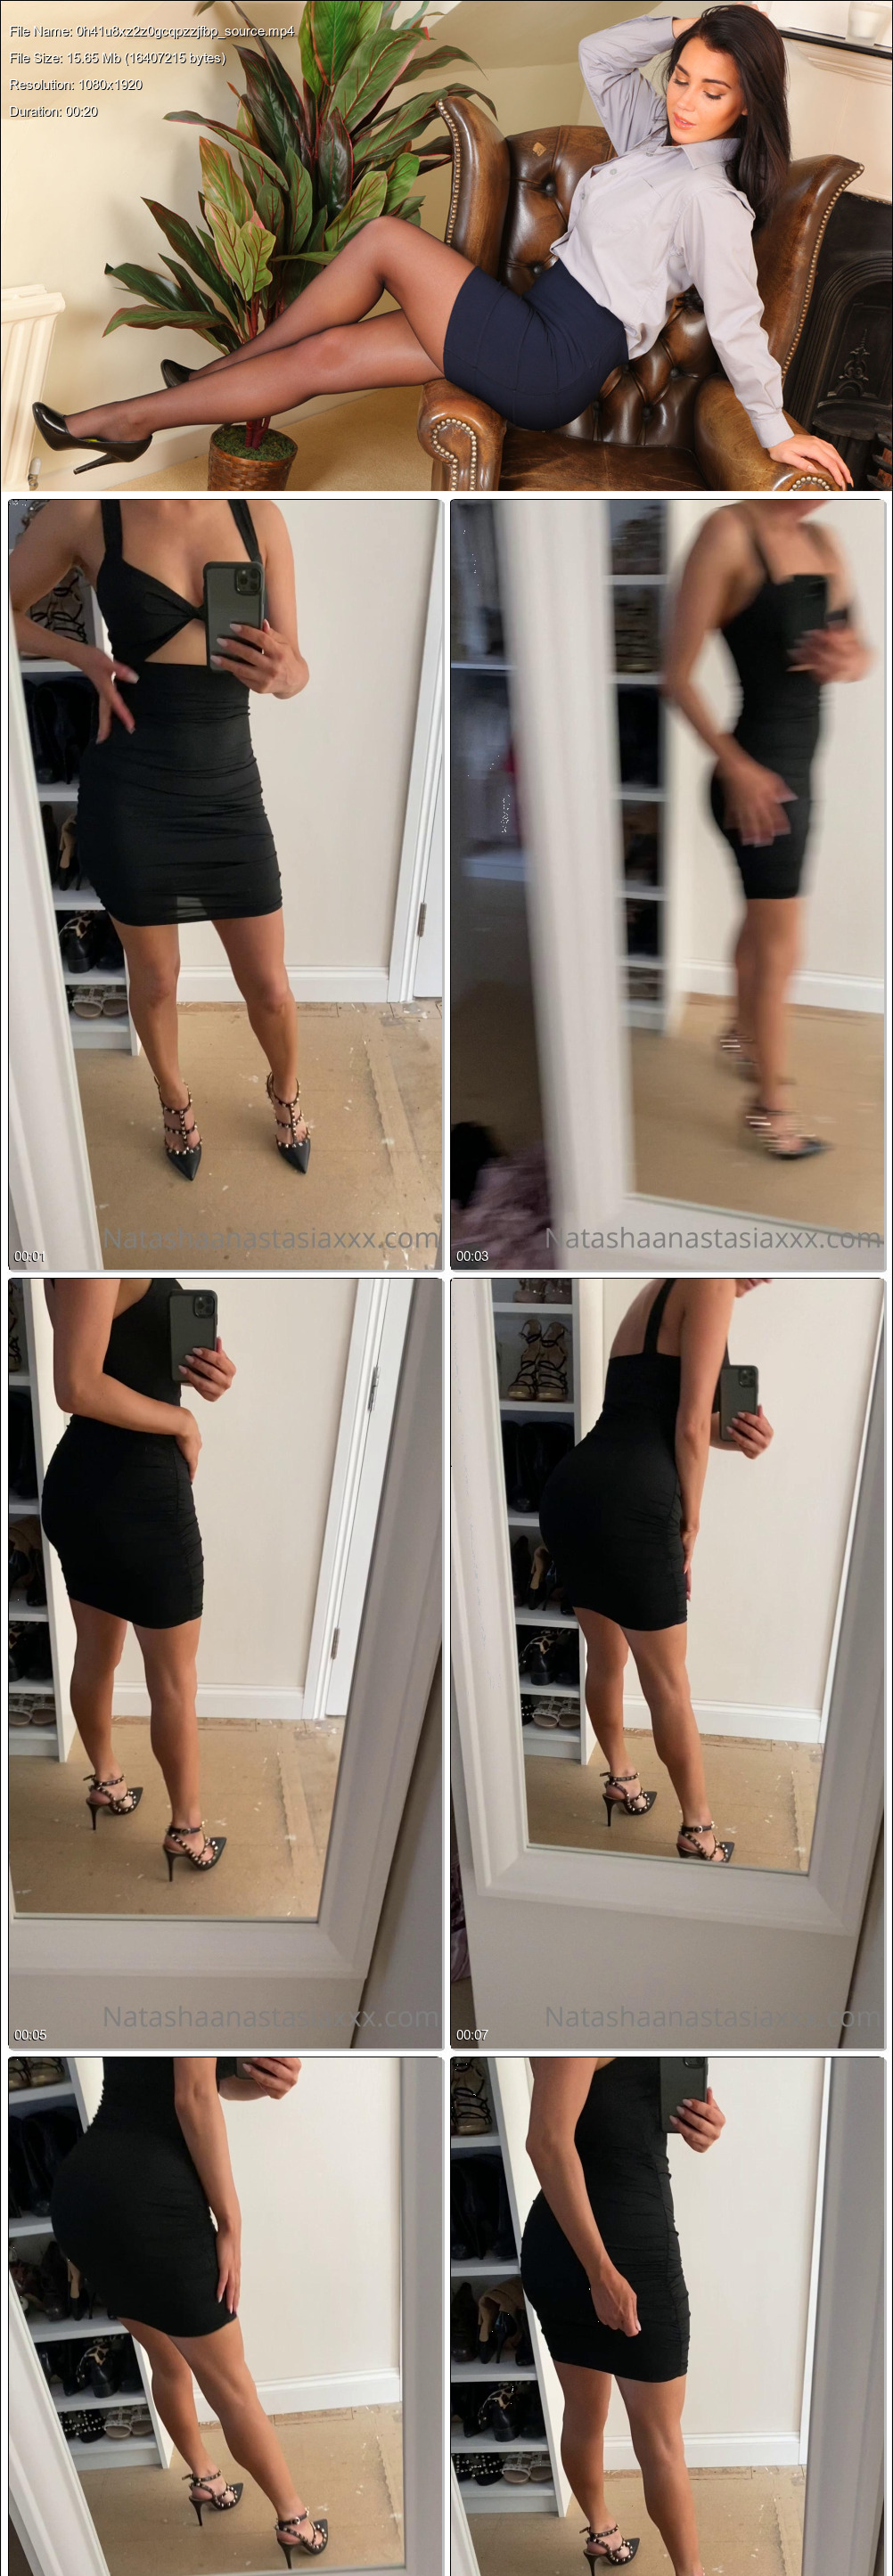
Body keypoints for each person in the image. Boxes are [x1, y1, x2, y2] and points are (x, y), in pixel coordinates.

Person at [31, 12, 848, 492]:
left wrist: (773, 427)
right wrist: (685, 26)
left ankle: (205, 377)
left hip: (556, 358)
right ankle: (129, 421)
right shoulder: (653, 142)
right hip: (535, 321)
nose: (686, 101)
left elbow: (739, 322)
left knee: (385, 239)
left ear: (749, 103)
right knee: (327, 356)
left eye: (713, 90)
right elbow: (600, 55)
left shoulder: (711, 200)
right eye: (682, 77)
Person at [11, 497, 310, 1176]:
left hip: (229, 793)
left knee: (270, 987)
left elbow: (296, 669)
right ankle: (175, 1101)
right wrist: (83, 656)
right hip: (133, 791)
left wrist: (287, 673)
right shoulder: (87, 511)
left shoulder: (257, 515)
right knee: (154, 983)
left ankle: (286, 1090)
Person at [50, 2056, 328, 2566]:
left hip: (84, 2193)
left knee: (168, 2360)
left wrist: (262, 2081)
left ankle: (206, 2480)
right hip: (150, 2198)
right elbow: (193, 2095)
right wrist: (231, 2224)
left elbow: (208, 2081)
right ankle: (295, 2521)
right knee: (233, 2389)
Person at [663, 500, 873, 1159]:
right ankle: (770, 1107)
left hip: (797, 774)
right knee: (782, 948)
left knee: (763, 925)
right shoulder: (729, 533)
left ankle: (738, 1032)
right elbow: (675, 677)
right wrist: (737, 767)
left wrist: (849, 659)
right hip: (758, 782)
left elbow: (861, 652)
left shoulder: (825, 541)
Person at [537, 1277, 773, 1865]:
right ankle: (699, 1832)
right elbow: (688, 1428)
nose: (767, 1274)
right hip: (635, 1503)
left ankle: (622, 1779)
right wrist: (691, 1523)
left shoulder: (656, 1290)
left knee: (605, 1656)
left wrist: (744, 1436)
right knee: (669, 1684)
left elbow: (670, 1417)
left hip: (576, 1487)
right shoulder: (711, 1280)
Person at [521, 2057, 725, 2576]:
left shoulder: (638, 2016)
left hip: (591, 2251)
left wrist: (700, 2127)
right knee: (657, 2439)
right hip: (614, 2259)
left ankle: (603, 2535)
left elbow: (614, 2121)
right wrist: (601, 2274)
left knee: (589, 2417)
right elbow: (546, 2142)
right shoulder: (578, 2017)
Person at [40, 1277, 233, 1879]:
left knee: (97, 1653)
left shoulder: (77, 1249)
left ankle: (107, 1782)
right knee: (174, 1681)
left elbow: (111, 1360)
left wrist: (203, 1375)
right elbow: (77, 1385)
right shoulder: (97, 1253)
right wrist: (182, 1421)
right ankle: (187, 1831)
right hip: (139, 1489)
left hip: (86, 1484)